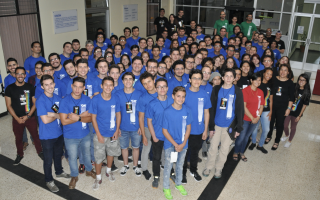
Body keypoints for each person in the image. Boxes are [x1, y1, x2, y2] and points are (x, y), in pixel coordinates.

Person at [202, 68, 244, 179]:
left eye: (231, 76)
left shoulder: (237, 91)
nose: (229, 78)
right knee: (213, 148)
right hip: (216, 124)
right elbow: (211, 109)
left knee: (224, 149)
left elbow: (240, 110)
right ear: (223, 77)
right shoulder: (216, 89)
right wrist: (211, 127)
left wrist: (238, 128)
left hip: (230, 126)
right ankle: (209, 167)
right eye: (227, 76)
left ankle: (219, 168)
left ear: (234, 78)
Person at [59, 77, 96, 189]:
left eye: (80, 87)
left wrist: (78, 117)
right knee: (73, 157)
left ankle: (89, 170)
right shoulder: (65, 101)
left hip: (85, 133)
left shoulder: (87, 100)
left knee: (87, 154)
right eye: (75, 86)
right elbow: (64, 121)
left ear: (84, 88)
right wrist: (82, 116)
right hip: (70, 136)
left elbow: (90, 118)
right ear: (71, 86)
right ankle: (74, 176)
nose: (77, 89)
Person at [36, 75, 71, 192]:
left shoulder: (58, 98)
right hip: (47, 136)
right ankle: (48, 180)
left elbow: (63, 115)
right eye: (46, 84)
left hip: (58, 132)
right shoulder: (40, 101)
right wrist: (56, 115)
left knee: (58, 155)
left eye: (51, 83)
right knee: (47, 159)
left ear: (54, 84)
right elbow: (45, 120)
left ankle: (59, 171)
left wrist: (52, 114)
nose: (49, 86)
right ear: (42, 86)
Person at [4, 67, 43, 165]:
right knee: (18, 138)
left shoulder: (30, 87)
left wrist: (28, 116)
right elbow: (8, 105)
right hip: (16, 118)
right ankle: (19, 154)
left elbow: (35, 103)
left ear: (25, 75)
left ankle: (40, 151)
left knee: (35, 136)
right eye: (18, 74)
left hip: (30, 117)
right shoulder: (9, 88)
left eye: (22, 74)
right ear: (15, 75)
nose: (20, 76)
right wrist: (17, 118)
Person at [90, 76, 121, 190]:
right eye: (106, 85)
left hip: (112, 132)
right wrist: (98, 134)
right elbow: (93, 118)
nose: (108, 87)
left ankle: (109, 171)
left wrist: (117, 130)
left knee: (111, 153)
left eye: (110, 85)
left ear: (113, 87)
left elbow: (118, 114)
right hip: (100, 133)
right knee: (98, 157)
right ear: (101, 86)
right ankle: (98, 177)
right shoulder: (96, 99)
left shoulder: (116, 98)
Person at [162, 86, 192, 199]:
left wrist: (183, 143)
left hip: (183, 144)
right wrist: (175, 144)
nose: (181, 98)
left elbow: (188, 128)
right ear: (173, 96)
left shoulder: (187, 110)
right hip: (171, 145)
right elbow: (164, 130)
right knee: (169, 166)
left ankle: (178, 184)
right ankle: (166, 187)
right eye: (178, 96)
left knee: (180, 165)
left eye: (183, 96)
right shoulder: (167, 111)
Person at [182, 69, 211, 183]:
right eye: (194, 78)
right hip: (184, 130)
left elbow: (206, 113)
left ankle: (193, 170)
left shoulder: (204, 94)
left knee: (194, 152)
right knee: (183, 153)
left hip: (198, 130)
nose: (197, 80)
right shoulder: (183, 93)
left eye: (199, 78)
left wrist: (205, 129)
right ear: (189, 79)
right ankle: (182, 173)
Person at [145, 78, 173, 188]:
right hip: (158, 136)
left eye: (164, 86)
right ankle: (156, 176)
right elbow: (149, 121)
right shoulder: (152, 104)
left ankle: (172, 172)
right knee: (156, 157)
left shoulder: (172, 100)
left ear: (167, 88)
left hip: (171, 136)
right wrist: (153, 136)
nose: (162, 89)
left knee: (172, 156)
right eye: (159, 87)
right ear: (156, 89)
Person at [116, 72, 143, 176]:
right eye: (125, 79)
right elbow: (116, 113)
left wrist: (141, 126)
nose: (128, 81)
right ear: (122, 81)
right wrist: (117, 128)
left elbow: (142, 112)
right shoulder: (118, 94)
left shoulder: (139, 93)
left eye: (130, 79)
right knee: (124, 147)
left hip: (136, 127)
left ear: (133, 81)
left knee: (136, 147)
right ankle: (126, 165)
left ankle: (135, 166)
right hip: (122, 127)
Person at [233, 73, 264, 162]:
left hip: (256, 119)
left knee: (246, 137)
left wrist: (258, 117)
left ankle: (242, 152)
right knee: (241, 137)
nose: (258, 82)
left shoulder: (260, 92)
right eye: (256, 79)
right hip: (245, 119)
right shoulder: (245, 91)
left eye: (259, 80)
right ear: (251, 80)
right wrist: (252, 118)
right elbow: (244, 106)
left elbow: (261, 106)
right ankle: (235, 152)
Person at [265, 64, 294, 150]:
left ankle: (277, 141)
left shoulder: (290, 83)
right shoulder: (273, 79)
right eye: (281, 69)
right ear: (279, 70)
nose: (283, 72)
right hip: (272, 105)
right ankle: (269, 136)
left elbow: (292, 97)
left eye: (285, 70)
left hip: (282, 107)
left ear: (288, 72)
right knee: (270, 122)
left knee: (279, 124)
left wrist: (289, 109)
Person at [137, 72, 158, 180]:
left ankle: (163, 164)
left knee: (162, 148)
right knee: (146, 148)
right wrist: (144, 134)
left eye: (149, 81)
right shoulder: (143, 98)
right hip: (147, 127)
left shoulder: (161, 93)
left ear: (154, 80)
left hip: (160, 126)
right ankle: (144, 168)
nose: (148, 85)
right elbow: (141, 117)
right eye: (145, 83)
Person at [249, 68, 273, 154]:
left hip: (266, 110)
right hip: (256, 109)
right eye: (267, 73)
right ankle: (253, 143)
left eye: (271, 74)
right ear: (263, 73)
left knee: (266, 129)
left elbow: (271, 99)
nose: (269, 76)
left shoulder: (271, 85)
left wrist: (271, 111)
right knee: (254, 129)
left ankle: (260, 145)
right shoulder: (257, 83)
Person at [282, 73, 310, 148]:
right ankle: (287, 135)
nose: (301, 81)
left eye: (303, 80)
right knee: (285, 126)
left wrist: (300, 115)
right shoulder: (293, 86)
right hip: (289, 110)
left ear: (306, 81)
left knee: (293, 128)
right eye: (300, 79)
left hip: (297, 113)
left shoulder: (307, 92)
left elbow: (304, 105)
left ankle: (289, 141)